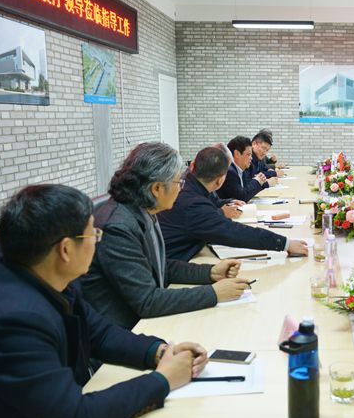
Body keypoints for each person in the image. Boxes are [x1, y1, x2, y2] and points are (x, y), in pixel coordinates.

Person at [0, 185, 208, 418]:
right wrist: (162, 380)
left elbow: (99, 333)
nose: (97, 241)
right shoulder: (13, 321)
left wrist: (159, 352)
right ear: (65, 249)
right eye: (93, 234)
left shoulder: (43, 275)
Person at [80, 143, 250, 330]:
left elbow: (160, 266)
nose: (181, 189)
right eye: (178, 183)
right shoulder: (118, 228)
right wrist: (214, 293)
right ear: (157, 188)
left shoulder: (143, 209)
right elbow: (147, 301)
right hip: (127, 331)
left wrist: (211, 272)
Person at [159, 146, 309, 262]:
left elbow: (211, 207)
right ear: (220, 180)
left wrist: (226, 203)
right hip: (170, 267)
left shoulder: (191, 185)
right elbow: (235, 232)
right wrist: (285, 244)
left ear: (192, 165)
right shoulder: (192, 202)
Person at [218, 136, 277, 202]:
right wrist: (257, 181)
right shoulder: (230, 171)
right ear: (237, 154)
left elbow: (247, 187)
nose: (251, 158)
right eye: (248, 154)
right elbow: (242, 197)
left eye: (251, 155)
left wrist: (258, 180)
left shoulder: (240, 169)